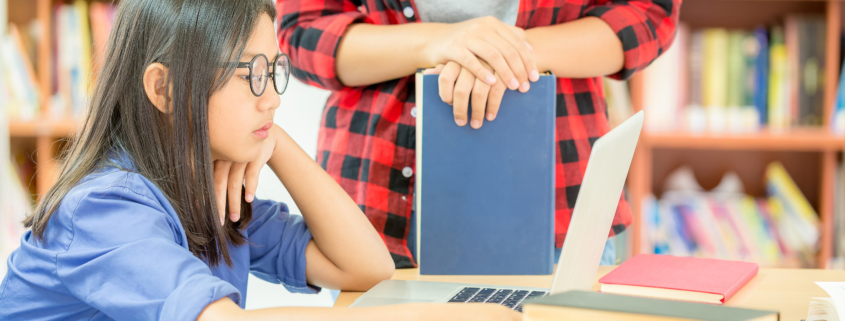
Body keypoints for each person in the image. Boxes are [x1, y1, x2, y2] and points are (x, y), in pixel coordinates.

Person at [0, 1, 521, 320]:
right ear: (164, 87)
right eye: (250, 74)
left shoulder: (213, 190)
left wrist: (278, 145)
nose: (270, 95)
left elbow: (368, 268)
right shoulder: (102, 209)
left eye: (274, 71)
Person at [277, 0, 681, 268]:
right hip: (379, 208)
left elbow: (649, 13)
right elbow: (302, 33)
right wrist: (441, 41)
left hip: (560, 202)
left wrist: (501, 52)